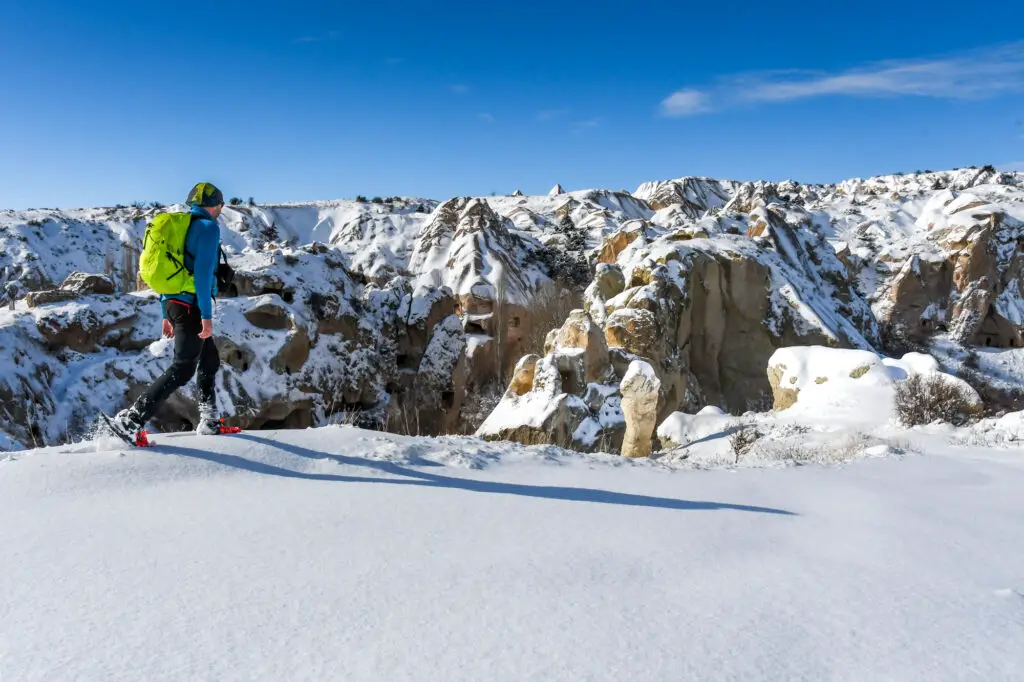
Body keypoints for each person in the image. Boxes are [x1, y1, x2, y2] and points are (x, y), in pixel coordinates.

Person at [107, 182, 228, 444]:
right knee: (184, 367)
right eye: (220, 204)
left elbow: (168, 271)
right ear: (215, 204)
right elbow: (204, 275)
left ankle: (209, 420)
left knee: (209, 361)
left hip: (174, 303)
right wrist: (206, 317)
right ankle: (132, 420)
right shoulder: (208, 228)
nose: (220, 209)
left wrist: (166, 312)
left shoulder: (181, 227)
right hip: (191, 307)